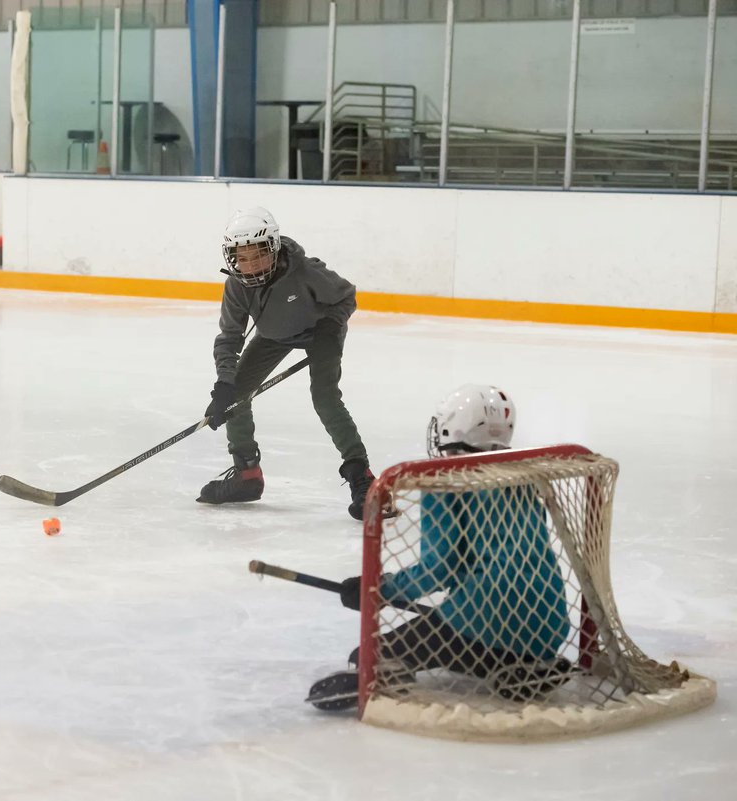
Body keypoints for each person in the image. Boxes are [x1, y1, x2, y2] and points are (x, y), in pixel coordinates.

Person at [307, 385, 572, 710]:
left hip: (479, 619)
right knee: (474, 627)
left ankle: (383, 674)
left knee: (368, 653)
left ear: (450, 427)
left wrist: (377, 589)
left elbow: (439, 567)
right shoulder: (522, 477)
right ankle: (523, 666)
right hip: (549, 624)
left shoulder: (443, 480)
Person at [198, 207, 383, 521]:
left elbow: (345, 296)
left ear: (273, 248)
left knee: (324, 397)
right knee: (238, 394)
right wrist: (224, 385)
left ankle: (361, 477)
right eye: (242, 258)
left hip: (320, 329)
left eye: (258, 255)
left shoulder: (306, 273)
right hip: (273, 337)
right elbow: (229, 338)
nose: (251, 265)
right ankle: (247, 475)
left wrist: (329, 329)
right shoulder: (237, 286)